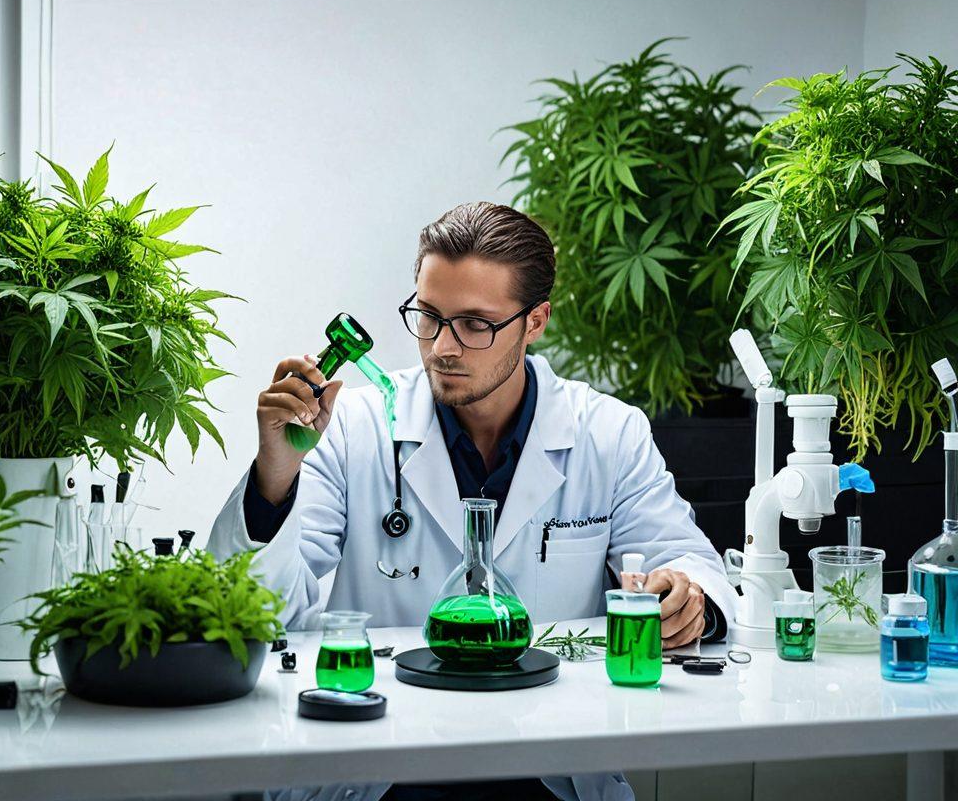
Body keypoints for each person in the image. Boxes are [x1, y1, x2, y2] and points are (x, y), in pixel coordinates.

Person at [209, 202, 737, 801]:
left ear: (535, 321)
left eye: (475, 324)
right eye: (429, 316)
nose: (442, 348)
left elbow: (686, 561)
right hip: (386, 763)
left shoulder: (607, 432)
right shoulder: (352, 427)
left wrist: (685, 598)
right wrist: (276, 472)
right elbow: (256, 612)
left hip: (549, 763)